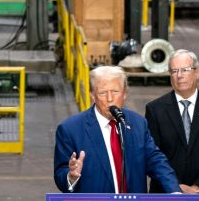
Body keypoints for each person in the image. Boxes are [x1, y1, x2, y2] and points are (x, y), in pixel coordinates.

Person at [53, 65, 180, 194]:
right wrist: (71, 176)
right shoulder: (70, 129)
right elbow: (60, 176)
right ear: (92, 95)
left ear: (125, 93)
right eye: (102, 92)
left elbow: (155, 160)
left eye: (115, 92)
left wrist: (174, 191)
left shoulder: (137, 123)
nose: (109, 99)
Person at [145, 49, 199, 200]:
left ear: (197, 72)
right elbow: (153, 155)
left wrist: (197, 188)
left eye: (185, 70)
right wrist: (175, 187)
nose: (179, 75)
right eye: (174, 71)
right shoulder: (155, 110)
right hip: (166, 193)